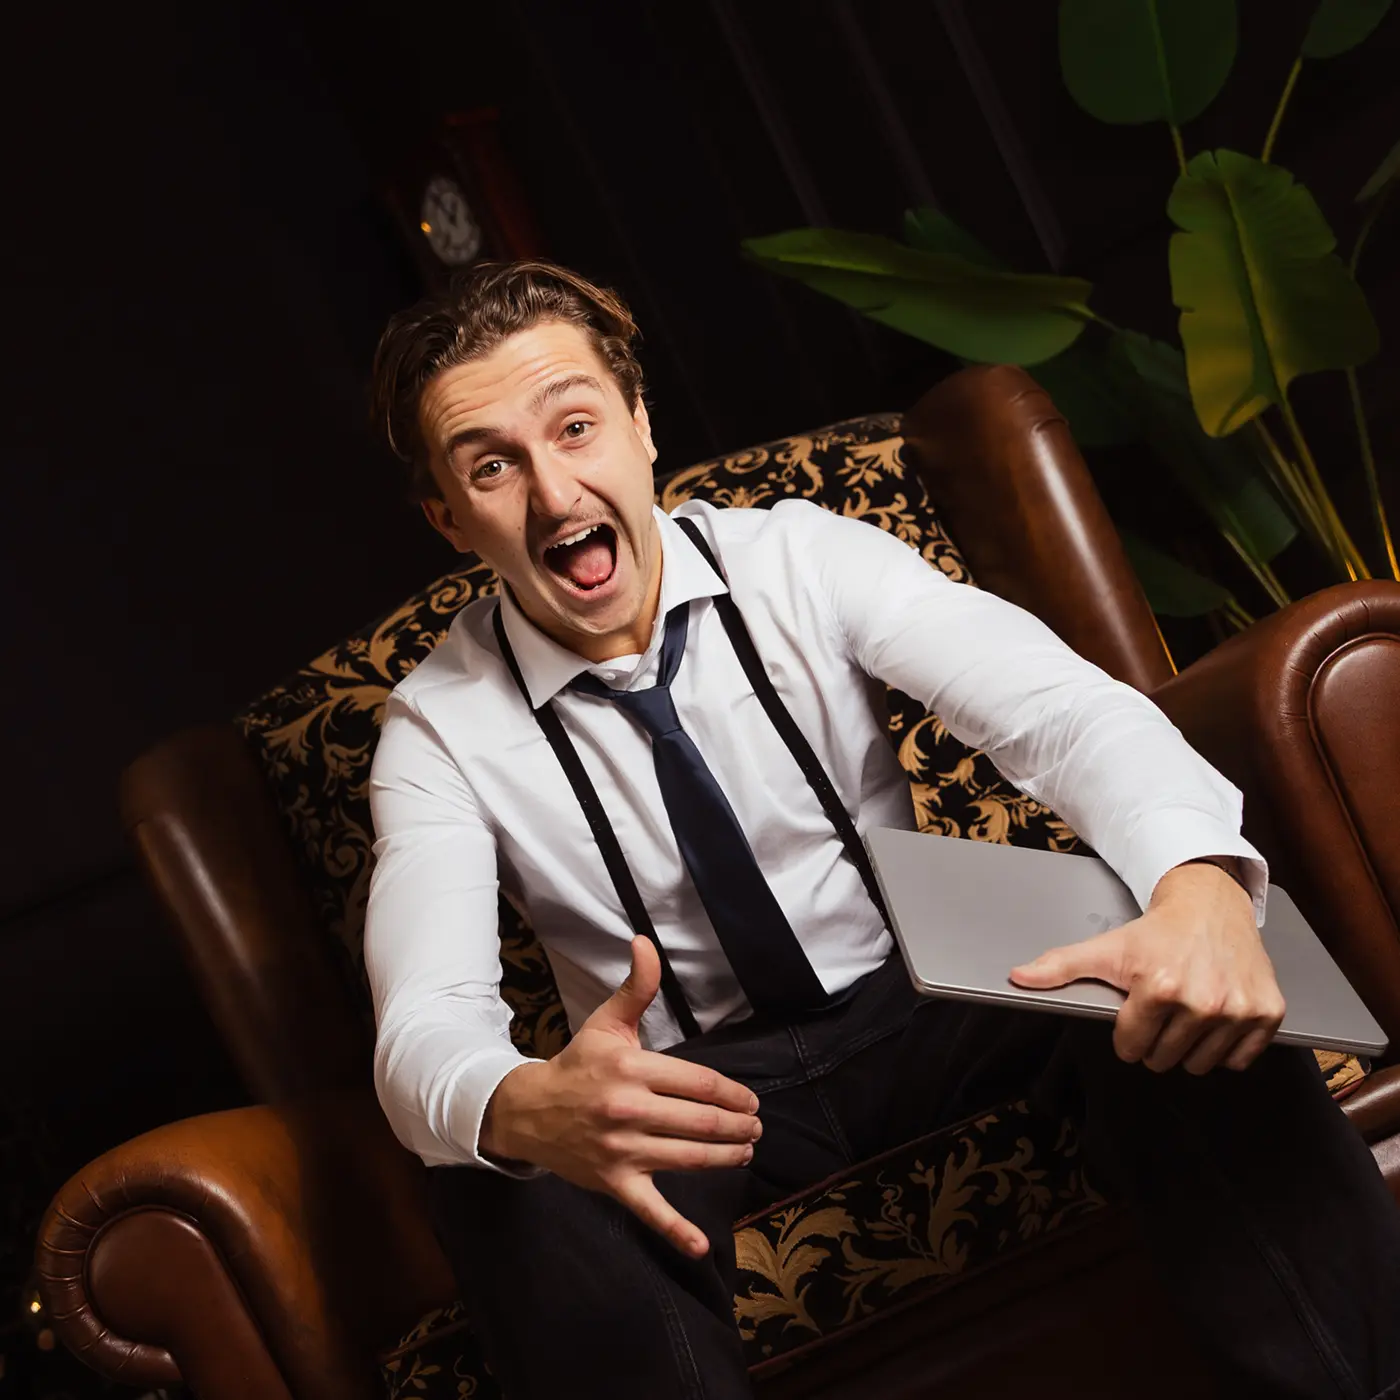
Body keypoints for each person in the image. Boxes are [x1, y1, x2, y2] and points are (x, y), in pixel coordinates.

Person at [365, 258, 1400, 1400]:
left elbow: (1061, 714)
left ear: (640, 425)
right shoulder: (435, 728)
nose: (556, 494)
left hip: (928, 995)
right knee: (500, 1170)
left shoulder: (801, 556)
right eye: (492, 466)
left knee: (1160, 975)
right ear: (448, 518)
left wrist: (1197, 882)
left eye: (575, 427)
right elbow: (424, 1021)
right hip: (690, 1093)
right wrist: (525, 1107)